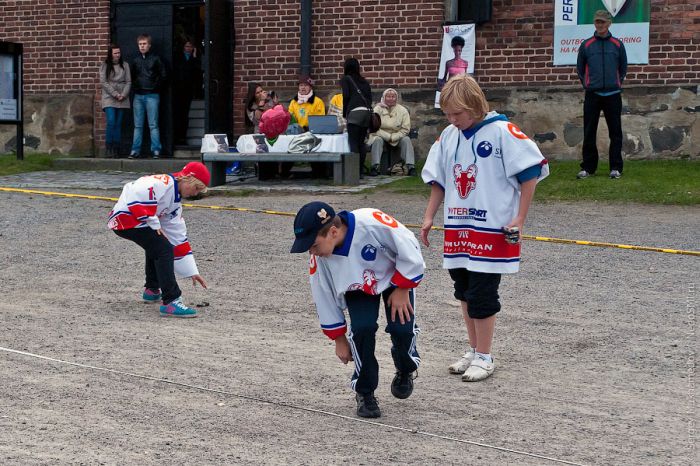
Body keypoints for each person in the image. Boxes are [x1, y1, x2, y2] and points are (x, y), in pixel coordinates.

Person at [421, 75, 549, 382]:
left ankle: (485, 356)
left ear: (475, 106)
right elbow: (440, 180)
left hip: (491, 228)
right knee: (463, 290)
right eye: (448, 114)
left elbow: (529, 172)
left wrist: (520, 218)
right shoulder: (449, 136)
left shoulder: (503, 132)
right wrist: (429, 216)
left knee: (482, 293)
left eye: (458, 114)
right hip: (458, 227)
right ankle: (474, 349)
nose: (452, 120)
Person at [290, 201, 425, 418]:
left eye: (313, 245)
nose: (311, 252)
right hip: (356, 285)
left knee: (402, 329)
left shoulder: (372, 222)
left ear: (333, 232)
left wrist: (403, 288)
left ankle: (406, 367)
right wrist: (339, 338)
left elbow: (409, 245)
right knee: (362, 329)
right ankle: (365, 391)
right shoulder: (320, 257)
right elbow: (322, 292)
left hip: (395, 278)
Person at [107, 162, 210, 318]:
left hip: (132, 221)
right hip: (126, 220)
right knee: (163, 249)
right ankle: (171, 300)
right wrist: (153, 222)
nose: (196, 194)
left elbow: (178, 235)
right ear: (188, 178)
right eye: (196, 188)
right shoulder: (164, 182)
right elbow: (135, 189)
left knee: (158, 244)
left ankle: (152, 289)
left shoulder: (175, 203)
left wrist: (192, 271)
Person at [576, 9, 627, 180]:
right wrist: (588, 84)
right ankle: (588, 168)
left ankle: (616, 167)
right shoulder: (586, 45)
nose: (599, 25)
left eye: (602, 22)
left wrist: (616, 83)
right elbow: (580, 69)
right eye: (597, 22)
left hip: (613, 94)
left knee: (616, 132)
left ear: (609, 23)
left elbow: (623, 68)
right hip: (593, 94)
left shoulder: (618, 45)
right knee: (589, 131)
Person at [129, 33, 167, 159]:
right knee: (138, 126)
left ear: (149, 45)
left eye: (144, 44)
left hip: (152, 95)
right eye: (140, 44)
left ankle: (156, 150)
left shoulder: (156, 59)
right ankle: (135, 150)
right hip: (138, 95)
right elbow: (132, 76)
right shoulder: (135, 60)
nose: (142, 46)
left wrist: (155, 87)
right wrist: (136, 87)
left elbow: (163, 75)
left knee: (153, 125)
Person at [368, 88, 415, 177]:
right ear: (384, 98)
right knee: (377, 140)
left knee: (406, 140)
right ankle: (375, 167)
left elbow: (405, 129)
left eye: (393, 97)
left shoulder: (402, 110)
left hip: (397, 136)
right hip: (381, 135)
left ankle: (410, 167)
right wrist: (387, 136)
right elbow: (373, 127)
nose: (390, 99)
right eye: (388, 96)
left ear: (396, 98)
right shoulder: (378, 108)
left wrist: (393, 137)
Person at [341, 58, 373, 176]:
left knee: (353, 142)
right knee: (361, 143)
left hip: (354, 113)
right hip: (366, 113)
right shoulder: (364, 81)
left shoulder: (346, 79)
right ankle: (360, 171)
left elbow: (346, 97)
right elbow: (369, 97)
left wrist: (345, 114)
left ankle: (354, 173)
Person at [100, 43, 131, 158]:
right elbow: (103, 82)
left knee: (118, 124)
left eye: (119, 52)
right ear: (110, 54)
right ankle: (109, 147)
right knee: (111, 122)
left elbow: (129, 82)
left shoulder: (125, 65)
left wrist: (123, 94)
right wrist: (115, 94)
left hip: (122, 97)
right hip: (109, 97)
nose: (118, 55)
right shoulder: (104, 66)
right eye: (115, 53)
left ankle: (116, 149)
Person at [172, 40, 202, 145]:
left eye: (190, 46)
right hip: (178, 89)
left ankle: (183, 137)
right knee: (178, 114)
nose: (188, 48)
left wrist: (194, 56)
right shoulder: (178, 58)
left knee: (185, 114)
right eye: (186, 46)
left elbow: (197, 72)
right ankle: (176, 137)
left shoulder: (194, 59)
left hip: (188, 89)